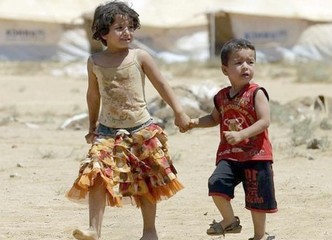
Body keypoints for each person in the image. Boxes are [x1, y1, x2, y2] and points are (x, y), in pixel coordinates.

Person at [66, 1, 191, 240]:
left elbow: (162, 84)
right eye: (120, 27)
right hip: (107, 131)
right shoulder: (95, 61)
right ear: (103, 32)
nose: (127, 32)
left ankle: (149, 231)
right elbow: (93, 95)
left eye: (131, 27)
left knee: (146, 179)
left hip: (141, 129)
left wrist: (179, 112)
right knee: (96, 173)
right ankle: (94, 229)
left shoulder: (139, 57)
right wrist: (92, 126)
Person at [186, 38, 278, 240]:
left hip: (257, 156)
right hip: (230, 156)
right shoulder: (221, 97)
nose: (245, 66)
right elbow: (213, 118)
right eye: (238, 62)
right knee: (216, 183)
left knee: (257, 198)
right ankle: (229, 221)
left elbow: (264, 121)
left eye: (250, 62)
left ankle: (259, 236)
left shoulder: (257, 93)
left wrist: (242, 134)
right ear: (224, 69)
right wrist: (193, 122)